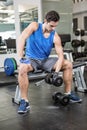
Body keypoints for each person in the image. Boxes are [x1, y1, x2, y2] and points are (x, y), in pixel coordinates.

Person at [17, 10, 82, 114]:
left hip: (45, 61)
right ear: (45, 21)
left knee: (68, 64)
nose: (53, 28)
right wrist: (20, 57)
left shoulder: (55, 35)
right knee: (22, 68)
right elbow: (22, 37)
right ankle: (24, 101)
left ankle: (68, 93)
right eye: (51, 26)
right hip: (32, 59)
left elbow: (60, 56)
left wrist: (56, 73)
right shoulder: (35, 26)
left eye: (55, 26)